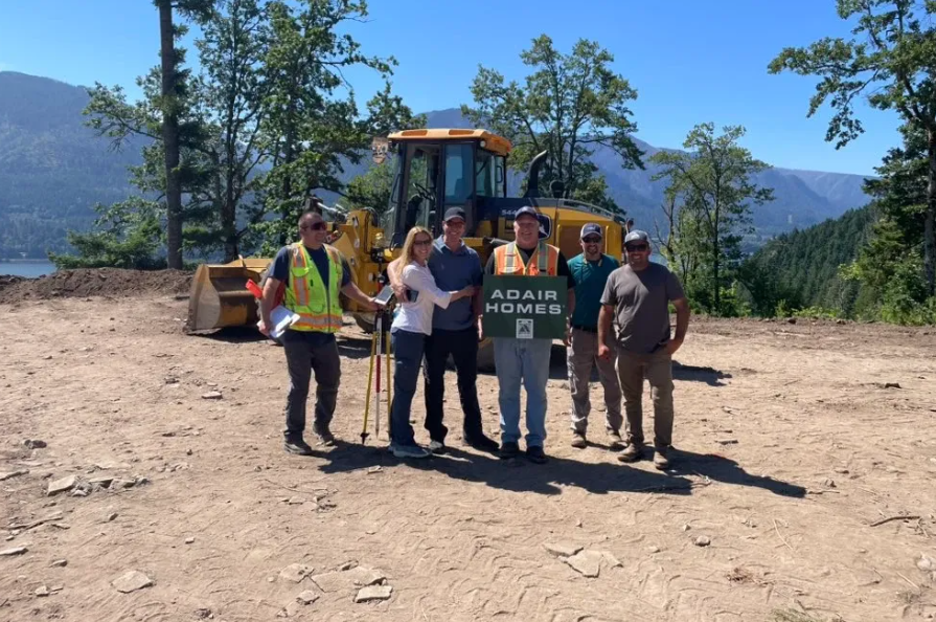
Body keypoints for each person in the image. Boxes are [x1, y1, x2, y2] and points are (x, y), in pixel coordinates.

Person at [259, 210, 378, 455]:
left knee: (330, 382)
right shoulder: (289, 254)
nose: (321, 231)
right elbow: (269, 288)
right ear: (302, 230)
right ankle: (293, 436)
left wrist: (369, 302)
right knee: (300, 385)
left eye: (323, 227)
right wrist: (265, 319)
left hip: (325, 334)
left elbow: (347, 286)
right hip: (297, 333)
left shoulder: (335, 256)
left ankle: (322, 427)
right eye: (315, 227)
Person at [388, 207, 499, 454]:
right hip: (435, 330)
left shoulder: (471, 256)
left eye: (460, 224)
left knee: (468, 383)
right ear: (443, 225)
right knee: (433, 383)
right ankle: (436, 435)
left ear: (465, 226)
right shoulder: (429, 249)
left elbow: (478, 289)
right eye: (451, 224)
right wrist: (396, 284)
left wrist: (478, 318)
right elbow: (396, 263)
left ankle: (474, 433)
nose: (456, 228)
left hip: (464, 329)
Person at [481, 206, 576, 464]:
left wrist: (565, 318)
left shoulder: (555, 255)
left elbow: (568, 292)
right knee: (508, 389)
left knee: (537, 391)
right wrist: (482, 319)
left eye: (530, 224)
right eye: (521, 223)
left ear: (538, 227)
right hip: (505, 335)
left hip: (540, 336)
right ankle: (508, 439)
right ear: (514, 228)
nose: (525, 228)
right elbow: (486, 291)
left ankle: (536, 442)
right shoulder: (499, 255)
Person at [597, 229, 690, 469]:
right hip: (626, 350)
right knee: (631, 399)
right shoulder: (615, 277)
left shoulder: (663, 275)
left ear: (648, 249)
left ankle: (662, 448)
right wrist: (602, 342)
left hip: (658, 350)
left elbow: (682, 306)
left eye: (640, 247)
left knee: (662, 400)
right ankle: (635, 444)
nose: (636, 252)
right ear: (625, 251)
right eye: (631, 248)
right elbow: (606, 311)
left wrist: (678, 339)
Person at [566, 223, 623, 450]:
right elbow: (562, 297)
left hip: (607, 335)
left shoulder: (613, 265)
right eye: (587, 240)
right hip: (578, 332)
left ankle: (613, 430)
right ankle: (578, 429)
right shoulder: (570, 266)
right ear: (581, 243)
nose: (592, 244)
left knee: (611, 383)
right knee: (578, 384)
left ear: (602, 242)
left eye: (595, 240)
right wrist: (563, 325)